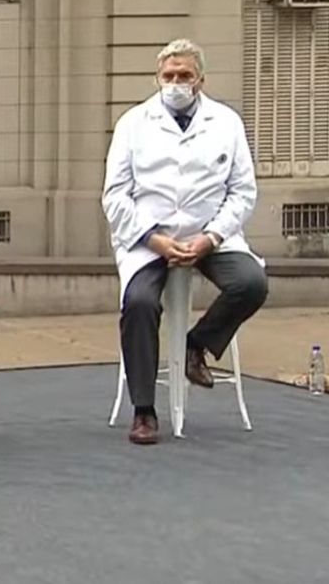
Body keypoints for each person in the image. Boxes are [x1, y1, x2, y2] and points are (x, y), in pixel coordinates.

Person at [102, 38, 268, 445]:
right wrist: (152, 239)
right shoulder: (133, 123)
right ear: (157, 78)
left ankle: (196, 345)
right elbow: (115, 194)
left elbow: (243, 192)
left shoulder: (226, 122)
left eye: (185, 76)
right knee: (139, 304)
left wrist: (210, 237)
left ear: (201, 80)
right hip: (148, 237)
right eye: (169, 76)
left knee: (251, 283)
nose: (176, 83)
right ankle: (144, 410)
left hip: (209, 233)